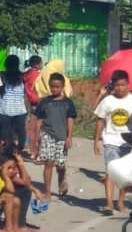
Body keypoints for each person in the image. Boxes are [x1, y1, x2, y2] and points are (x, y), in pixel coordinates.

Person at [93, 70, 132, 215]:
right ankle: (109, 204)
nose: (120, 88)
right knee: (110, 172)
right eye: (117, 85)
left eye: (123, 85)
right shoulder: (108, 101)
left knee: (123, 174)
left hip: (127, 142)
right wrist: (96, 141)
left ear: (128, 85)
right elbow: (100, 120)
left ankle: (121, 202)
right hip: (110, 140)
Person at [31, 73, 76, 202]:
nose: (54, 89)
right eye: (52, 87)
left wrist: (69, 137)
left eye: (57, 87)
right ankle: (47, 192)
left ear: (63, 87)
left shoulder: (68, 103)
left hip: (62, 137)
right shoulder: (45, 102)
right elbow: (39, 120)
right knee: (48, 163)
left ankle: (62, 180)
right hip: (48, 135)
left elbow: (70, 120)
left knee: (60, 165)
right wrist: (36, 137)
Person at [0, 55, 31, 154]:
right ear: (17, 64)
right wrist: (28, 111)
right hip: (19, 111)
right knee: (20, 134)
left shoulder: (2, 76)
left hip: (5, 111)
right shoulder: (22, 77)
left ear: (6, 64)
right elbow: (25, 95)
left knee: (6, 136)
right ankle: (17, 154)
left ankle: (9, 155)